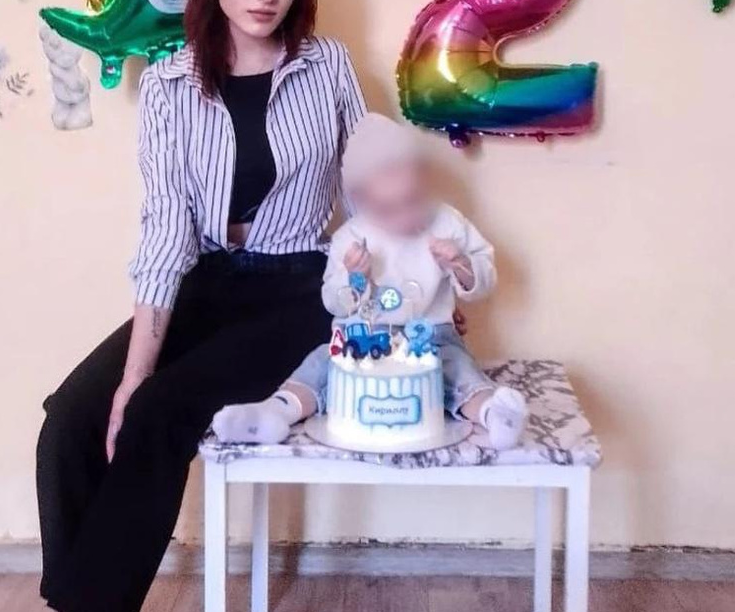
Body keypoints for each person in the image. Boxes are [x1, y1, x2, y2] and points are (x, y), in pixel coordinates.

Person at [29, 0, 365, 612]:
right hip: (205, 283)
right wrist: (133, 368)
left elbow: (369, 187)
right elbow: (166, 231)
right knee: (71, 423)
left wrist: (408, 289)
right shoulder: (171, 83)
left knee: (159, 415)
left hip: (299, 288)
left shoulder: (326, 66)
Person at [212, 113, 528, 450]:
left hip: (431, 334)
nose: (404, 218)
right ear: (360, 200)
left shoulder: (447, 223)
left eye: (413, 200)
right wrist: (355, 279)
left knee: (457, 367)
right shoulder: (350, 238)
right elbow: (333, 302)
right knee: (321, 363)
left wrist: (461, 264)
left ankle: (494, 414)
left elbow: (484, 280)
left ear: (424, 181)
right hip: (361, 335)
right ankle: (274, 412)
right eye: (388, 209)